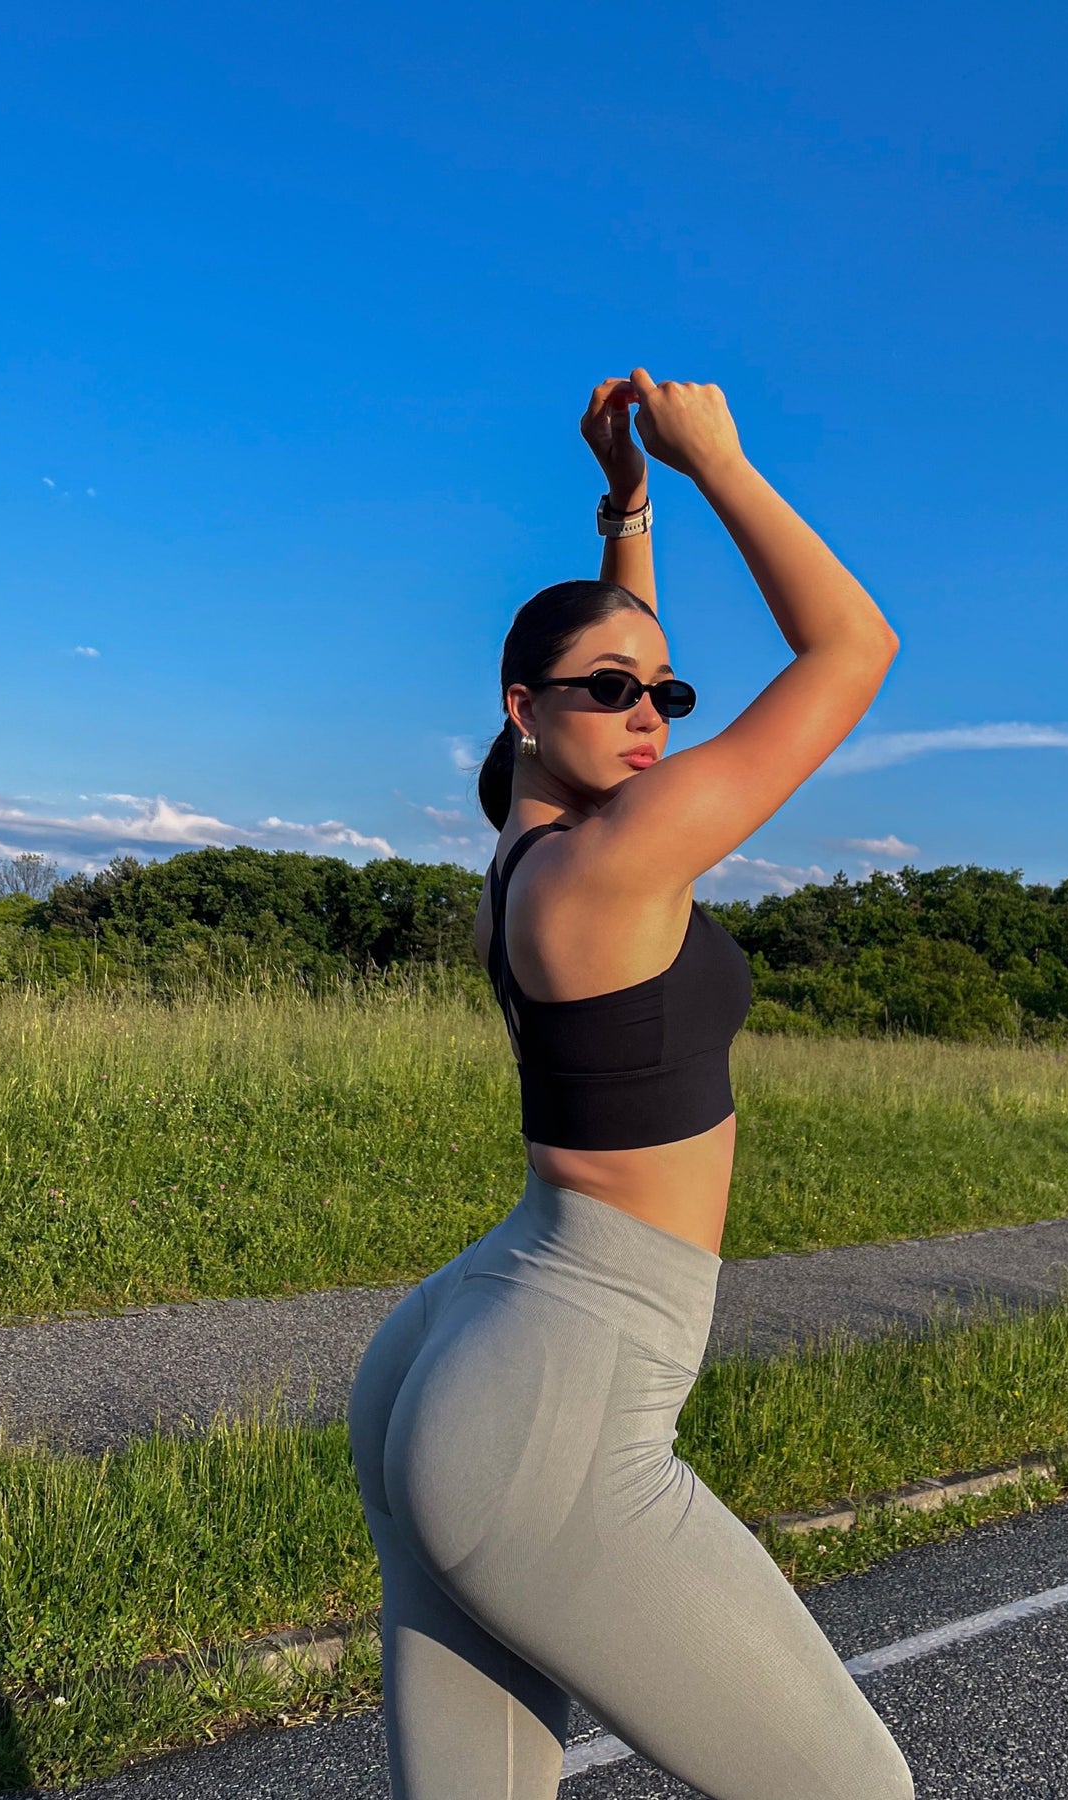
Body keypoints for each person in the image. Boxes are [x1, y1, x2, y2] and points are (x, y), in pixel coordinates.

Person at [348, 369, 913, 1799]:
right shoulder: (616, 860)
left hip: (473, 1341)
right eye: (611, 692)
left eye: (666, 692)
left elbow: (611, 694)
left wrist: (628, 508)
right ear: (521, 708)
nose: (649, 712)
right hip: (557, 1393)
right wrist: (721, 460)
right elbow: (852, 648)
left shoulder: (529, 855)